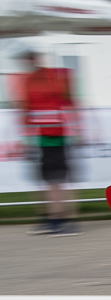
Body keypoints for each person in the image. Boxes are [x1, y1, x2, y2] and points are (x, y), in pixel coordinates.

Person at [17, 50, 80, 236]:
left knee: (56, 181)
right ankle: (52, 218)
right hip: (43, 138)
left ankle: (63, 220)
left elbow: (68, 104)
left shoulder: (52, 78)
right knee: (48, 181)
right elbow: (27, 110)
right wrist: (26, 140)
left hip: (55, 137)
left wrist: (77, 130)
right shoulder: (32, 80)